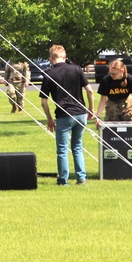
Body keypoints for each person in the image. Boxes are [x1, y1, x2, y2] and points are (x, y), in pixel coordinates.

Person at [39, 44, 94, 186]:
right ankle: (81, 178)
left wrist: (49, 119)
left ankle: (63, 180)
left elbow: (43, 102)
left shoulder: (49, 74)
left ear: (50, 58)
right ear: (65, 56)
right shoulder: (76, 69)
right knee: (77, 146)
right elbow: (90, 91)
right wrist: (91, 109)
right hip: (81, 113)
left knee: (62, 149)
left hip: (64, 114)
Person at [95, 59, 132, 125]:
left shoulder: (130, 80)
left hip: (127, 108)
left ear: (121, 71)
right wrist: (98, 117)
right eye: (110, 73)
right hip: (111, 108)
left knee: (129, 131)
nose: (111, 75)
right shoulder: (106, 81)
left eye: (114, 74)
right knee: (111, 132)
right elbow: (102, 100)